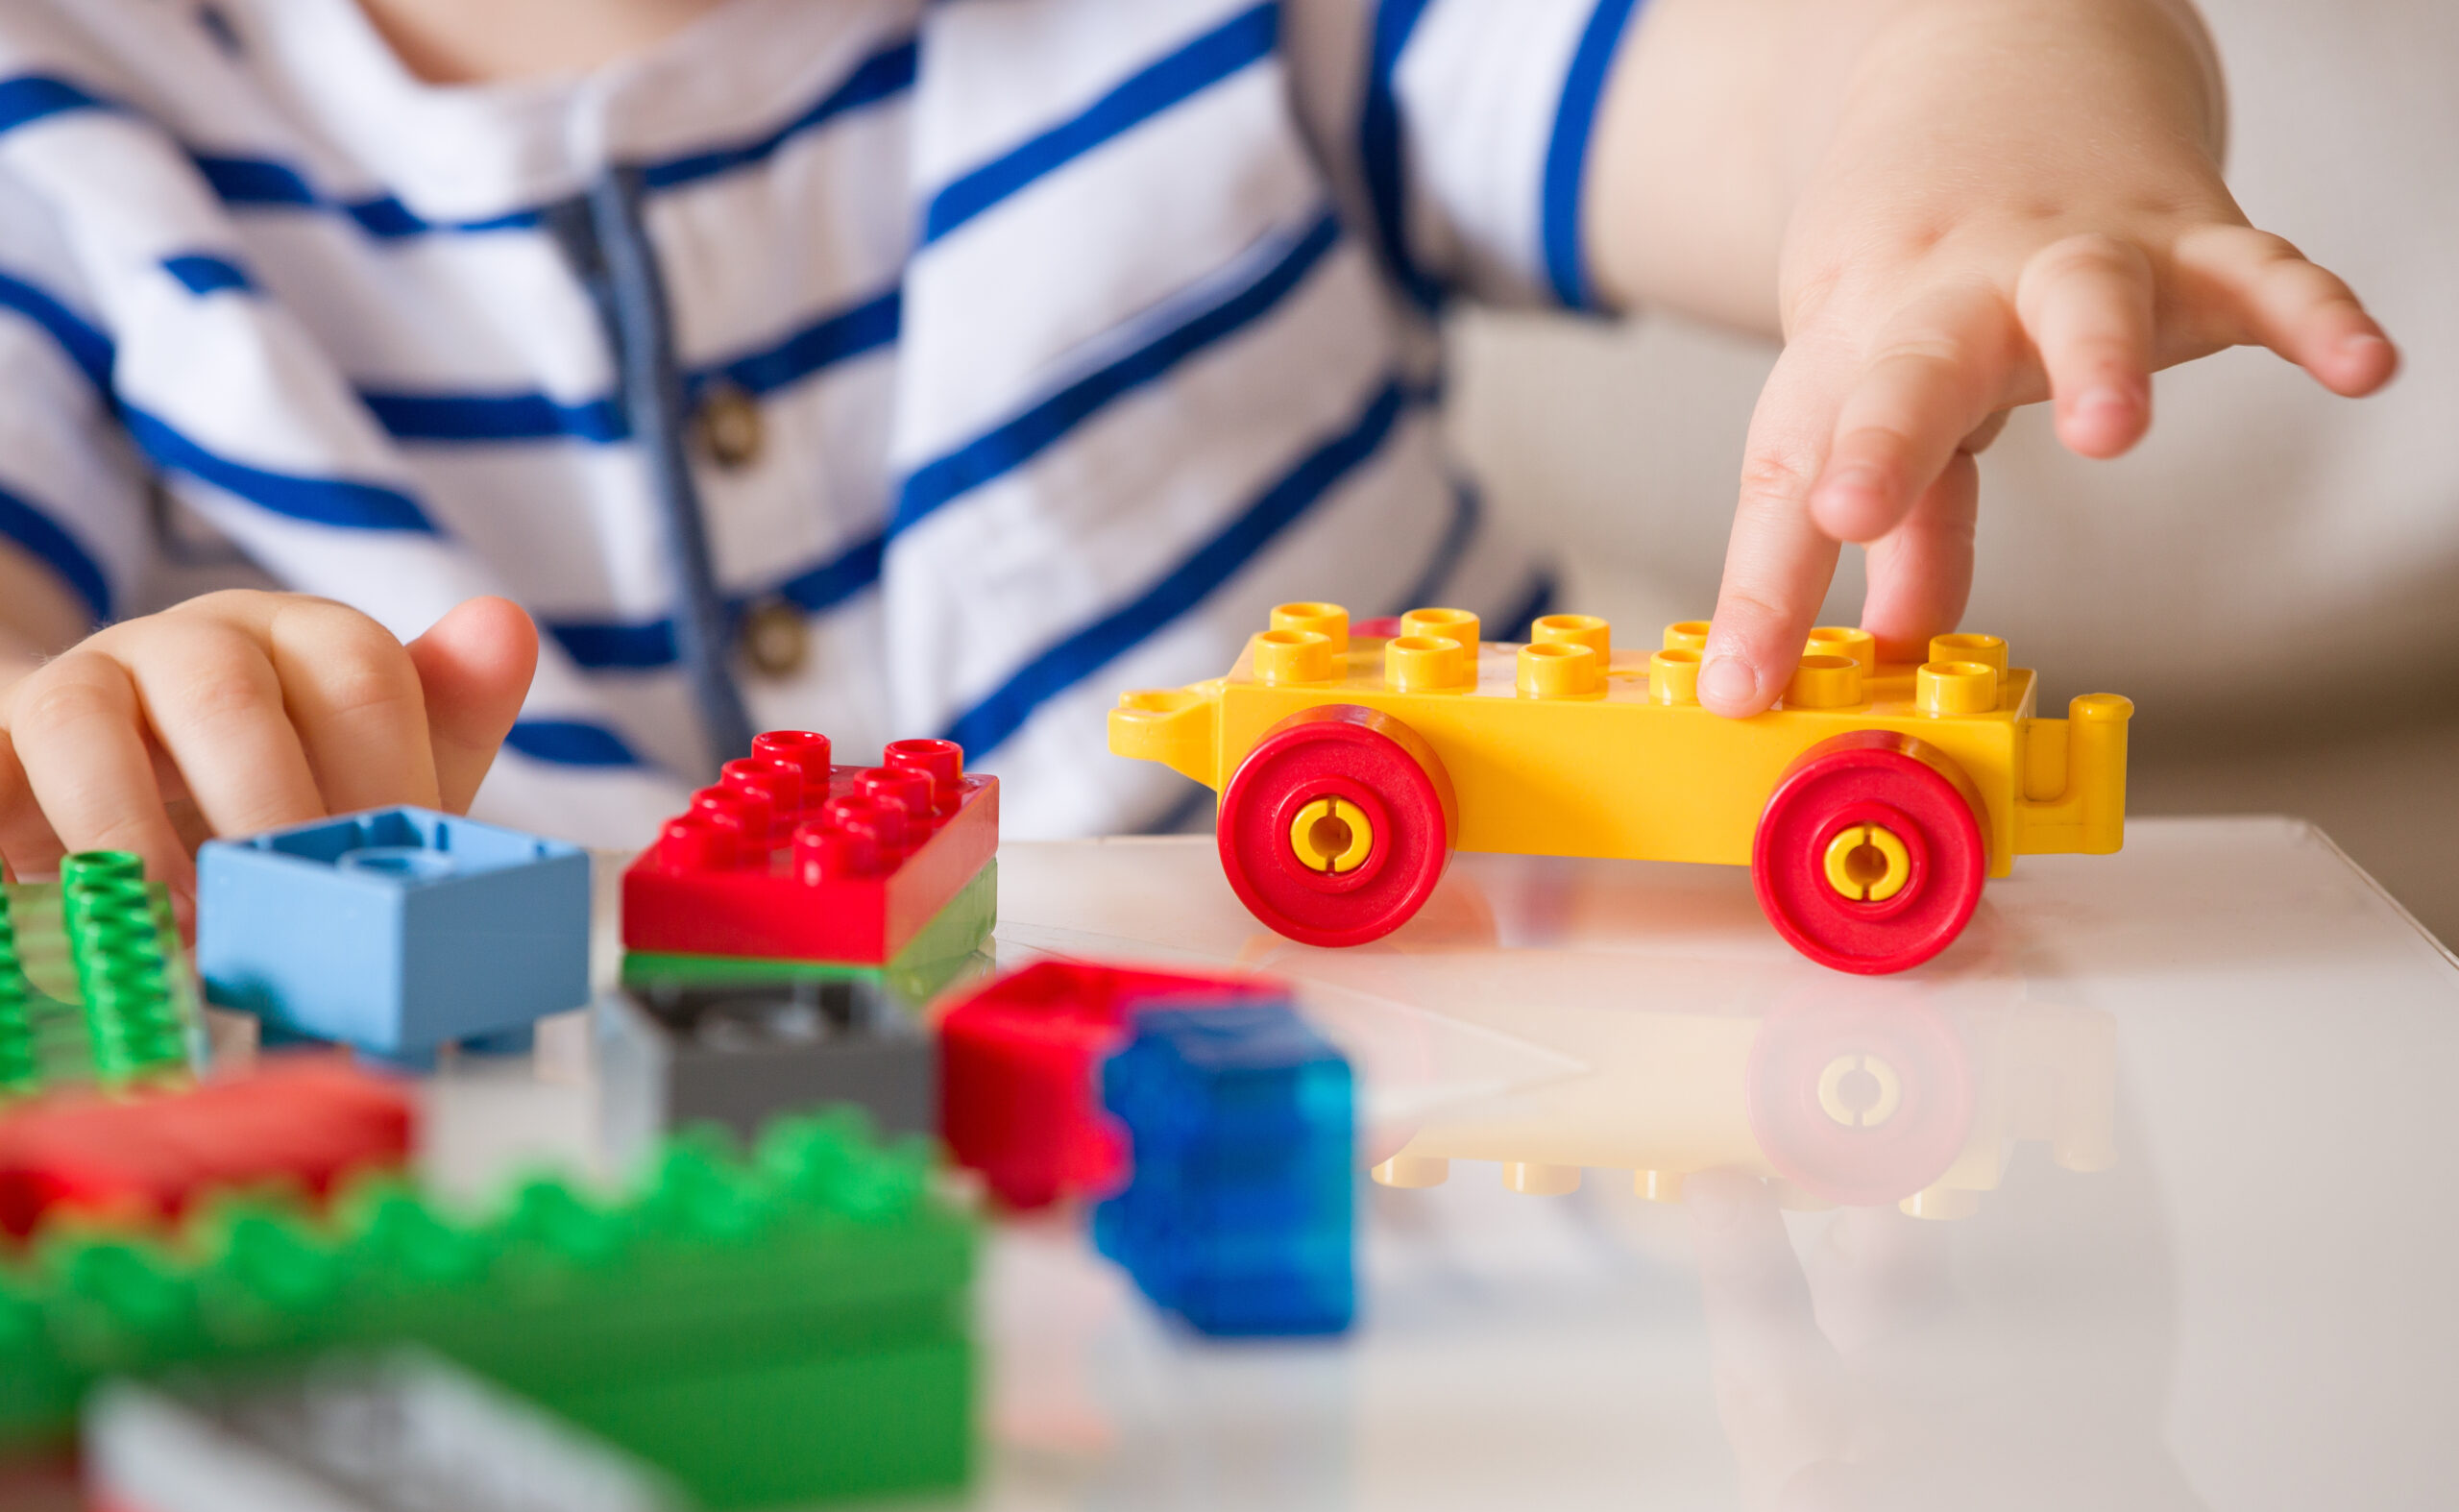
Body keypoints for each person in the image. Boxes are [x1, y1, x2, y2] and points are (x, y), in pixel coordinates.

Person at [0, 0, 2398, 910]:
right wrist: (114, 716)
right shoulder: (80, 143)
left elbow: (1831, 47)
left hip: (1489, 1173)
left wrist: (1982, 150)